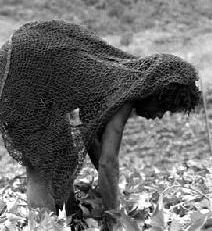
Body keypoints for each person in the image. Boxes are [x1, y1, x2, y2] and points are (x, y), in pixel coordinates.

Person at [0, 20, 200, 229]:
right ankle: (44, 226)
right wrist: (113, 217)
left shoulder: (115, 77)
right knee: (42, 165)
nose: (159, 116)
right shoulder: (124, 95)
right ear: (155, 93)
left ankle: (67, 214)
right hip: (20, 73)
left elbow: (94, 143)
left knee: (64, 153)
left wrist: (108, 194)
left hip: (29, 65)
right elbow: (107, 163)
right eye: (163, 108)